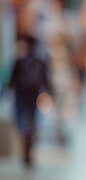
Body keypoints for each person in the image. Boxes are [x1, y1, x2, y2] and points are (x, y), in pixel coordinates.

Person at [9, 35, 50, 167]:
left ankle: (25, 141)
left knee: (20, 121)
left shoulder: (19, 61)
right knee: (33, 123)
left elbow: (12, 81)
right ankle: (29, 144)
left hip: (20, 97)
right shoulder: (41, 61)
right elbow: (46, 81)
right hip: (34, 97)